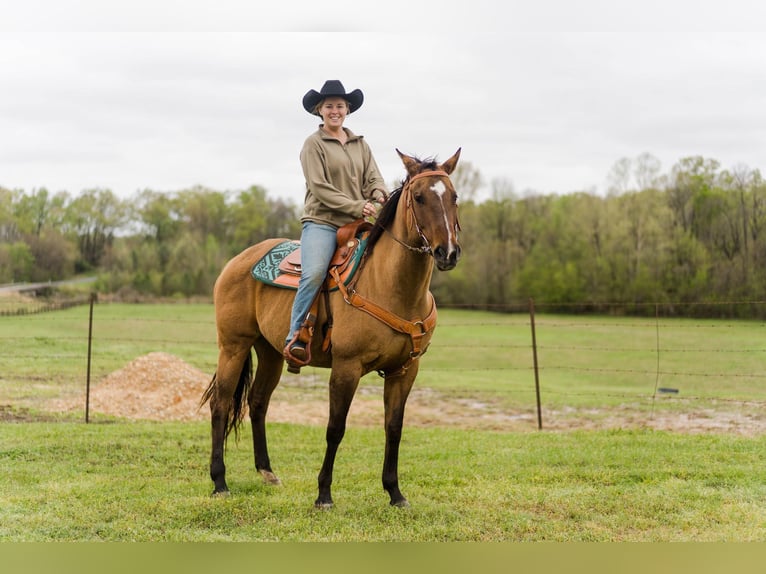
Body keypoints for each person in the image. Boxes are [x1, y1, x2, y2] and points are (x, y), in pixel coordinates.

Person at [284, 80, 389, 367]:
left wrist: (380, 193)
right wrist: (357, 205)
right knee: (315, 273)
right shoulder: (313, 144)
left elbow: (373, 177)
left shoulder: (360, 144)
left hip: (357, 223)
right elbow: (319, 187)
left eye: (340, 106)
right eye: (329, 105)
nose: (335, 110)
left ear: (348, 110)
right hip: (323, 222)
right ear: (319, 110)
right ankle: (295, 335)